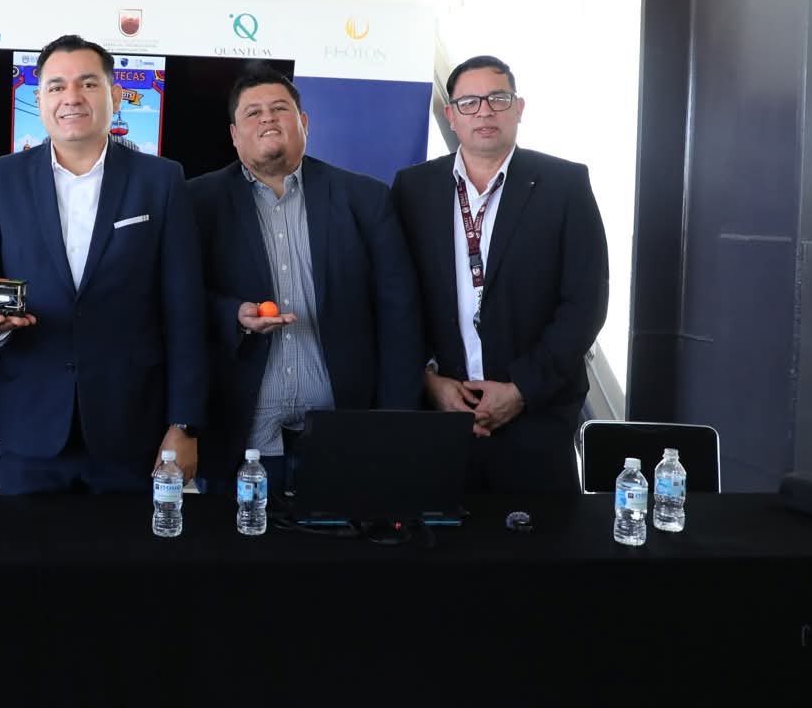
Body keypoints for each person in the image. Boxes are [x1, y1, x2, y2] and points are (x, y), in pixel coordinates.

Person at [0, 34, 207, 495]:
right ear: (39, 100)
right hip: (29, 423)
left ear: (115, 95)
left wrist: (184, 424)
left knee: (124, 545)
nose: (71, 97)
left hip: (130, 425)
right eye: (56, 86)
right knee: (24, 543)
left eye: (88, 84)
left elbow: (185, 309)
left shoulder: (161, 180)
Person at [189, 70, 422, 486]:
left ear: (304, 122)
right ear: (234, 135)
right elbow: (180, 299)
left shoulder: (365, 199)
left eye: (279, 108)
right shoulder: (196, 202)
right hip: (238, 431)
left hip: (343, 430)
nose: (267, 118)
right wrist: (233, 315)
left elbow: (399, 316)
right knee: (239, 531)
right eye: (253, 113)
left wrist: (395, 424)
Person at [391, 55, 608, 493]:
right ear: (451, 116)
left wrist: (520, 389)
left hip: (537, 416)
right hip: (441, 412)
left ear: (519, 108)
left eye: (498, 98)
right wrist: (428, 381)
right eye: (469, 102)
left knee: (543, 533)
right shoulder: (413, 188)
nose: (484, 111)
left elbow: (586, 302)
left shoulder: (564, 184)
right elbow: (396, 296)